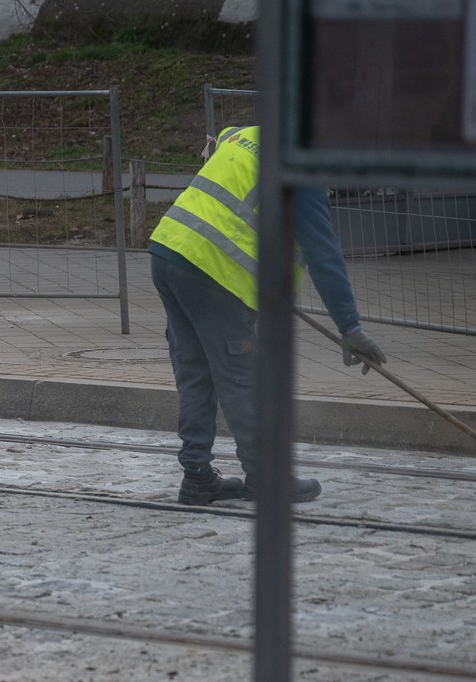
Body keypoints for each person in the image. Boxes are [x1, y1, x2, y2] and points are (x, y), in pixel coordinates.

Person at [148, 125, 386, 505]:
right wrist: (350, 327)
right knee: (242, 379)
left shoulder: (251, 133)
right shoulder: (303, 173)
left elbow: (224, 148)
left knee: (195, 371)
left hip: (170, 250)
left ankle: (197, 477)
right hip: (214, 272)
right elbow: (324, 257)